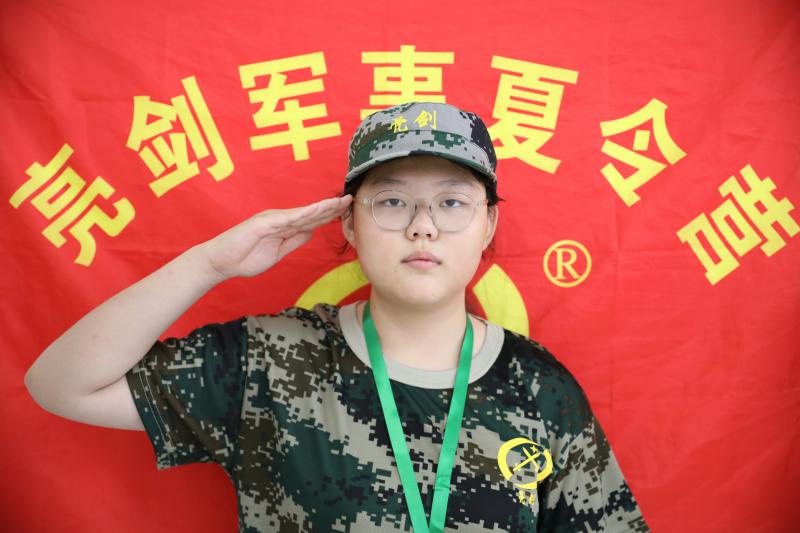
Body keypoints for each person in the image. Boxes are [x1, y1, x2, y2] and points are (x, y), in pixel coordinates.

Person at [24, 101, 649, 532]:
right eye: (392, 201)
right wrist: (208, 264)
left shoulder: (540, 387)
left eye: (453, 203)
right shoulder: (271, 362)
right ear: (349, 223)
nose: (423, 225)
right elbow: (61, 385)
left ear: (489, 224)